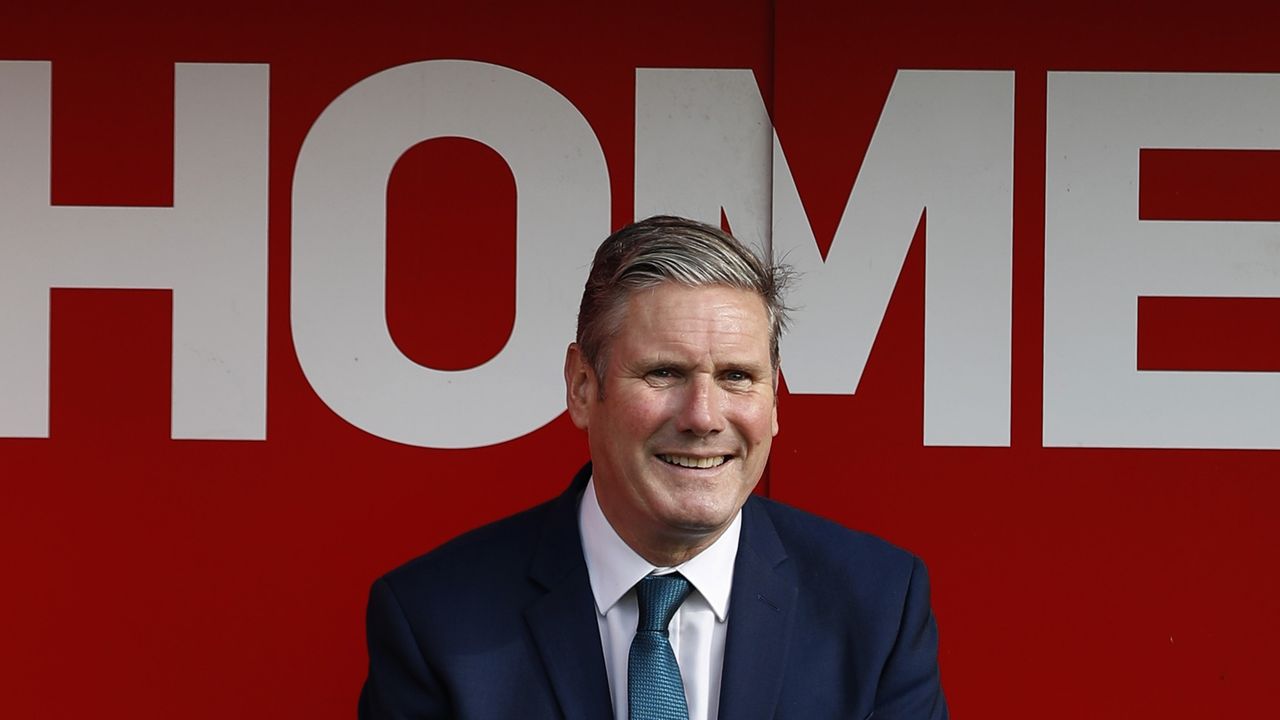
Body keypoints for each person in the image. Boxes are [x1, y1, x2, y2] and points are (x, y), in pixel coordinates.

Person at [358, 216, 948, 719]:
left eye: (737, 377)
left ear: (774, 404)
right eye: (664, 373)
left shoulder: (877, 608)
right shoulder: (436, 620)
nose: (703, 416)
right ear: (583, 387)